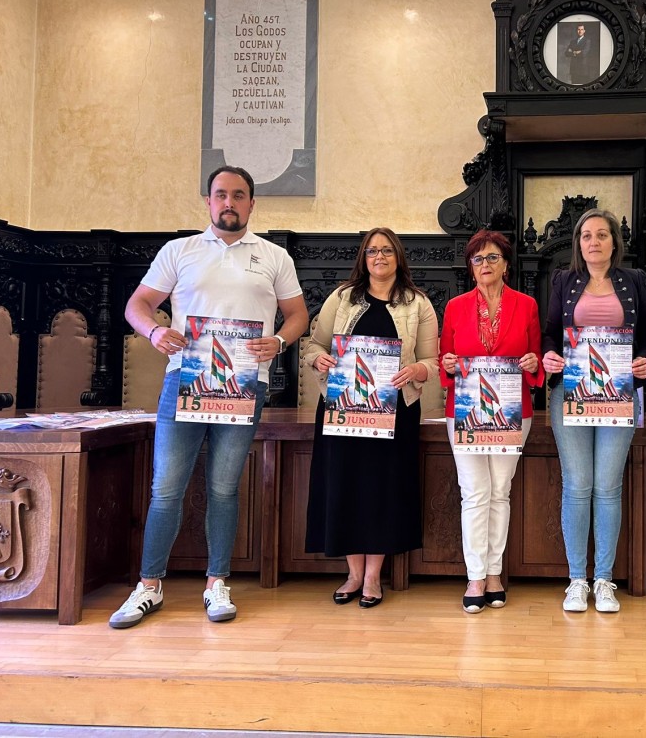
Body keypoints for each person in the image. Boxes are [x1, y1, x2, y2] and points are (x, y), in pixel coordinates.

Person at [109, 165, 308, 629]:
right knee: (166, 489)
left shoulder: (274, 257)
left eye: (239, 195)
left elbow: (297, 315)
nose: (229, 203)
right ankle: (149, 586)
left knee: (223, 487)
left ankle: (217, 582)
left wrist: (278, 342)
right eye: (221, 195)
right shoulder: (180, 251)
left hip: (243, 385)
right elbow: (136, 305)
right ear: (208, 201)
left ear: (252, 204)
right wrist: (155, 330)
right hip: (185, 382)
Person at [302, 228, 439, 608]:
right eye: (372, 251)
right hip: (343, 408)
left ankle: (374, 576)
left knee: (382, 489)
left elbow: (434, 361)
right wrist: (319, 358)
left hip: (394, 413)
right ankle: (354, 573)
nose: (379, 257)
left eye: (386, 250)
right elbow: (313, 345)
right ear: (363, 258)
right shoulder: (342, 298)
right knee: (344, 484)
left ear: (398, 256)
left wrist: (417, 372)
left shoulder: (417, 303)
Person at [541, 208, 646, 613]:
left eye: (601, 235)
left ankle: (603, 579)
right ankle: (577, 579)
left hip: (618, 395)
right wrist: (550, 354)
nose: (594, 242)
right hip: (570, 394)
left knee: (607, 486)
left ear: (613, 242)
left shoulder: (635, 281)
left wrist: (643, 362)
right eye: (586, 236)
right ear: (578, 244)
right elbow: (551, 332)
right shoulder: (563, 281)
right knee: (577, 484)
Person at [439, 230, 543, 613]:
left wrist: (533, 364)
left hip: (512, 409)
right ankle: (475, 576)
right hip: (465, 410)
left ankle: (495, 573)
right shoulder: (454, 307)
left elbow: (535, 356)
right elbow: (443, 359)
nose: (485, 265)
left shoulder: (527, 304)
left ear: (506, 264)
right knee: (474, 491)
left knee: (500, 489)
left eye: (492, 258)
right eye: (478, 259)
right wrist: (448, 365)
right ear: (471, 267)